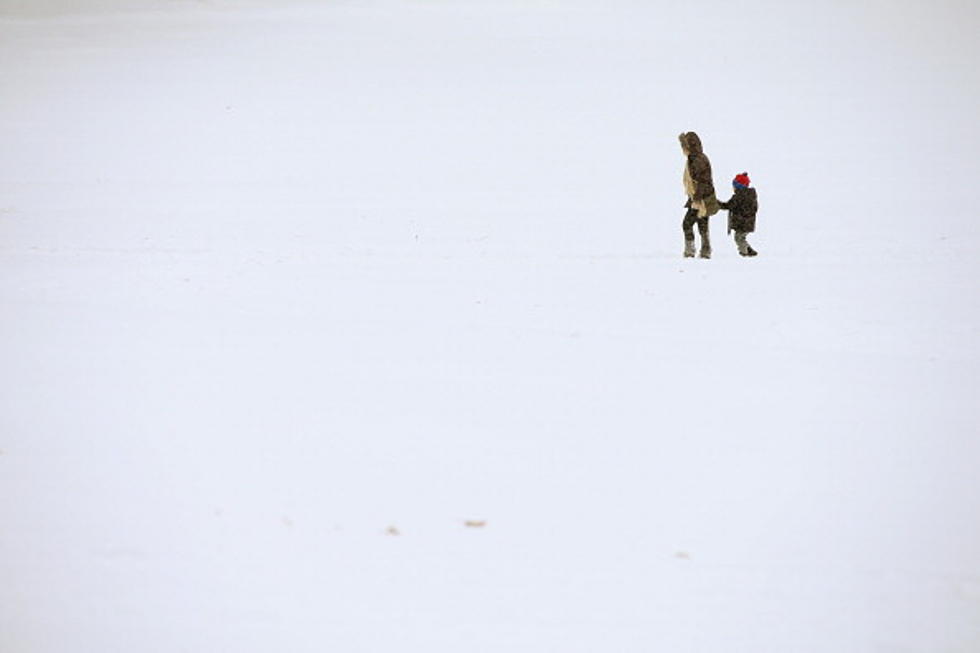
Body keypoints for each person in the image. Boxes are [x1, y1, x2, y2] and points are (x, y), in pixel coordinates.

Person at [679, 131, 720, 258]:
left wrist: (696, 198)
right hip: (703, 196)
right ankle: (705, 251)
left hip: (701, 198)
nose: (682, 149)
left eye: (684, 146)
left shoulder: (697, 160)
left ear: (689, 146)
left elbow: (703, 181)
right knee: (702, 224)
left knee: (687, 223)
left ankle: (690, 251)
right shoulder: (696, 158)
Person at [719, 172, 759, 257]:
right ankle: (750, 251)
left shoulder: (739, 196)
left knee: (738, 238)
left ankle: (744, 253)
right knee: (741, 237)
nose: (733, 187)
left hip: (742, 222)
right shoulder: (751, 196)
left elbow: (729, 206)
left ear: (739, 186)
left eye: (734, 185)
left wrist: (717, 204)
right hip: (748, 222)